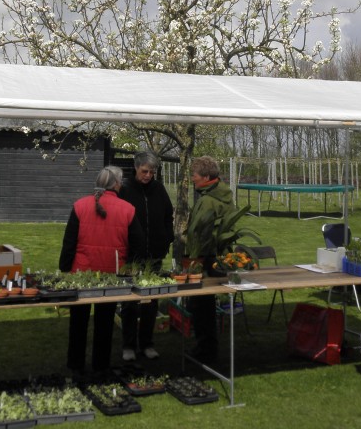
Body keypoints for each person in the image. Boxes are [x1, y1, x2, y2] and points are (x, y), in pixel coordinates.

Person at [59, 165, 145, 374]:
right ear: (117, 185)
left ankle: (75, 366)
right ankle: (100, 367)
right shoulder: (128, 209)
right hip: (112, 277)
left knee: (78, 323)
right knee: (104, 324)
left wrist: (64, 268)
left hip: (81, 275)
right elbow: (139, 245)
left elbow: (69, 242)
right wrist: (129, 267)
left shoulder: (80, 205)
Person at [118, 151, 174, 361]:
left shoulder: (159, 189)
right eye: (145, 171)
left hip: (154, 255)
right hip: (131, 256)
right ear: (136, 168)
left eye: (152, 172)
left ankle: (147, 343)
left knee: (151, 301)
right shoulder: (125, 189)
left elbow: (168, 214)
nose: (148, 175)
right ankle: (129, 345)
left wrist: (167, 238)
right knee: (130, 303)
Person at [184, 155, 239, 364]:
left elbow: (199, 233)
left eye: (195, 175)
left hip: (205, 259)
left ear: (206, 177)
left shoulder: (207, 201)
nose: (192, 178)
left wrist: (192, 261)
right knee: (207, 305)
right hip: (220, 257)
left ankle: (205, 350)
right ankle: (208, 347)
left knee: (202, 306)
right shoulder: (224, 195)